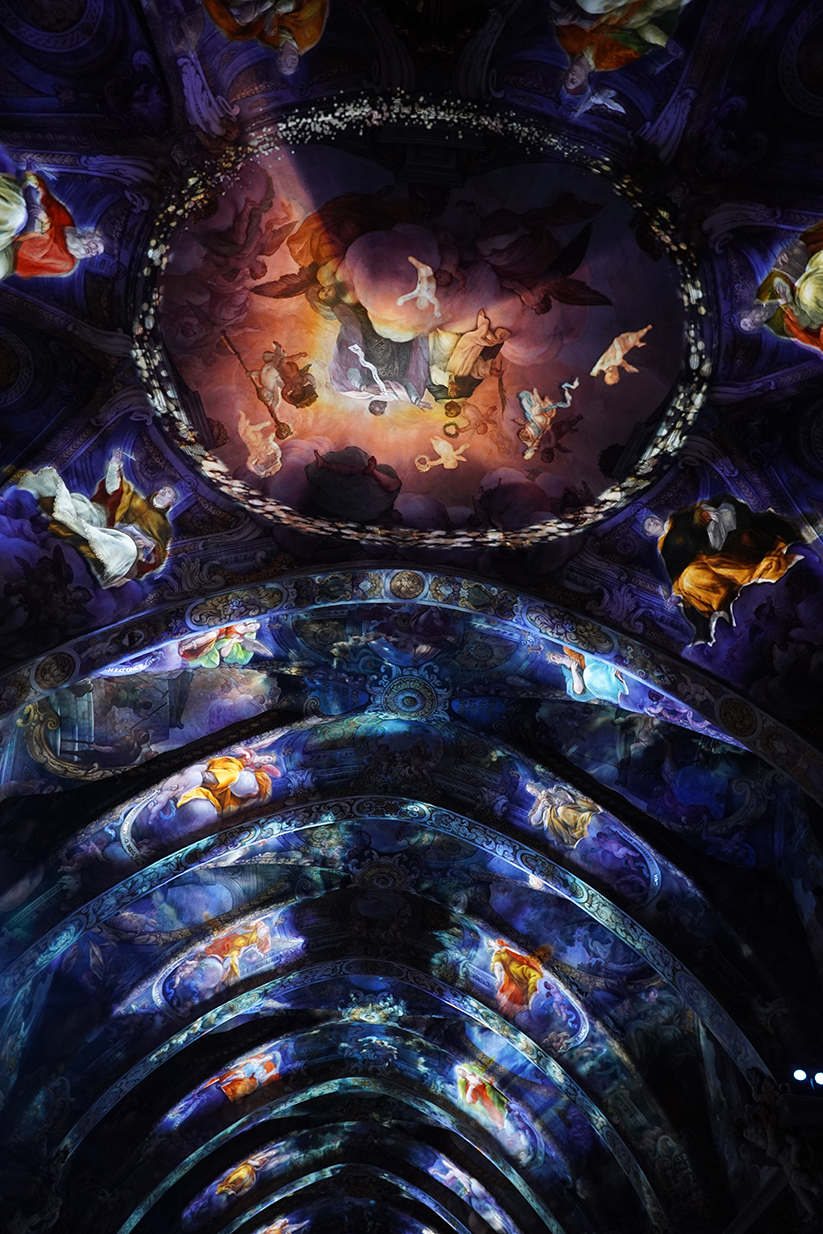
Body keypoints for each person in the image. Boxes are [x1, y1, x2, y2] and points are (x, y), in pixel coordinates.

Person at [17, 450, 176, 588]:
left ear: (171, 501)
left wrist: (149, 543)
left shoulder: (164, 526)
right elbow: (115, 489)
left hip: (125, 541)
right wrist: (114, 464)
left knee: (126, 548)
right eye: (163, 489)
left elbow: (160, 558)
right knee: (79, 505)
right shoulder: (136, 498)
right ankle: (33, 491)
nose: (163, 491)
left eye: (168, 492)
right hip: (104, 521)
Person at [657, 495, 802, 642]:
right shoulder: (667, 545)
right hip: (705, 563)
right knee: (691, 578)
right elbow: (676, 569)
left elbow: (726, 513)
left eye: (652, 521)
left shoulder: (690, 516)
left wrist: (714, 516)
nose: (653, 524)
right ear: (649, 533)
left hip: (728, 550)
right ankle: (725, 610)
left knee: (718, 562)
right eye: (648, 526)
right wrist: (677, 594)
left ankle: (740, 590)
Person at [1, 166, 103, 281]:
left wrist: (45, 221)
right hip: (17, 223)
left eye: (96, 253)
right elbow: (47, 198)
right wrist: (32, 177)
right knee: (15, 215)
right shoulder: (67, 221)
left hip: (10, 255)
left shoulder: (67, 263)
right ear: (89, 235)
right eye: (95, 246)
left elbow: (31, 250)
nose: (93, 252)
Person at [201, 0, 329, 74]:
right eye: (292, 66)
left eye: (285, 66)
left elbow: (253, 25)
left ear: (279, 59)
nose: (290, 65)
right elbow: (308, 5)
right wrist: (275, 10)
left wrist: (243, 19)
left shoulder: (269, 40)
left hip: (260, 4)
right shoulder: (310, 38)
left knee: (236, 30)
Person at [177, 748, 277, 816]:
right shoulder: (250, 754)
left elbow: (274, 776)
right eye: (268, 758)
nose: (267, 760)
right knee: (232, 774)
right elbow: (234, 751)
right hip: (229, 767)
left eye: (269, 761)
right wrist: (244, 753)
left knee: (229, 802)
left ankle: (205, 784)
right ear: (266, 755)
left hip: (231, 788)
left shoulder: (260, 770)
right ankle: (205, 777)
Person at [488, 939, 554, 1015]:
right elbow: (532, 991)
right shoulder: (537, 974)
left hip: (509, 999)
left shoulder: (512, 955)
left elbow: (498, 962)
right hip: (512, 1001)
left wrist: (499, 979)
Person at [526, 781, 601, 847]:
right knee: (553, 814)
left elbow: (564, 797)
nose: (532, 793)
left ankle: (584, 825)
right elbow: (533, 821)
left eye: (532, 790)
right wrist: (541, 808)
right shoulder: (537, 804)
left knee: (562, 810)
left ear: (536, 786)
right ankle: (576, 835)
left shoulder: (549, 791)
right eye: (530, 792)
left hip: (565, 808)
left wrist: (560, 797)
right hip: (556, 820)